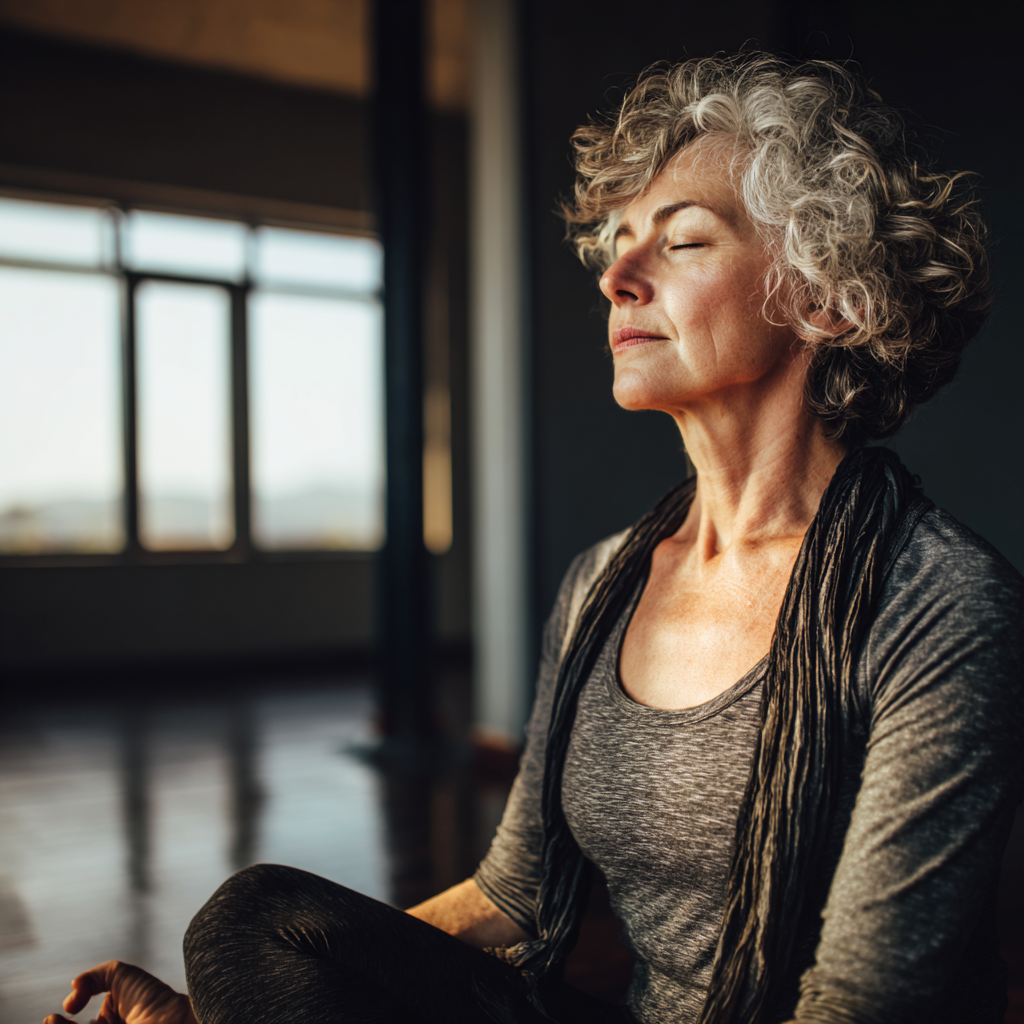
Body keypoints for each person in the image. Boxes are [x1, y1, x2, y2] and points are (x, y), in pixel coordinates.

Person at [46, 54, 1023, 1024]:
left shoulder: (939, 604)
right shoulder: (605, 579)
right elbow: (510, 896)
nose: (617, 276)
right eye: (617, 242)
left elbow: (864, 1001)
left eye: (680, 242)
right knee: (252, 922)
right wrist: (233, 1008)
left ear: (823, 294)